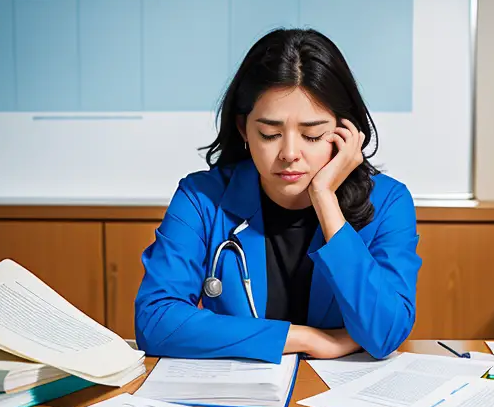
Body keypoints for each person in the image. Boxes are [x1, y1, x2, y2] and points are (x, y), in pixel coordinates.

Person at [135, 28, 421, 363]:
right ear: (244, 129)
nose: (289, 153)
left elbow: (386, 334)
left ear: (345, 133)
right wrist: (303, 338)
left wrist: (325, 199)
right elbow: (155, 322)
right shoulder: (201, 198)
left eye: (312, 135)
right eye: (270, 134)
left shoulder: (388, 203)